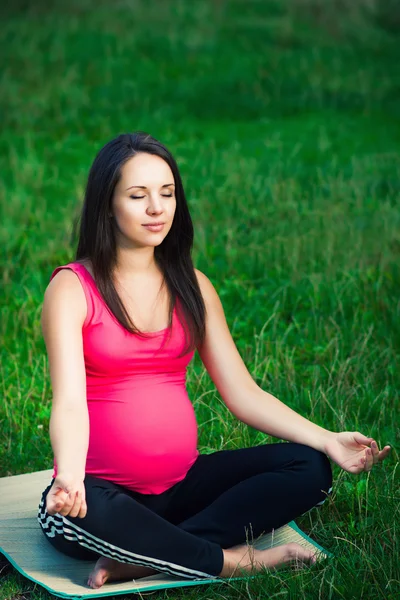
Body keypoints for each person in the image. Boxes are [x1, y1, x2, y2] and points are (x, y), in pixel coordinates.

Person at [37, 132, 391, 590]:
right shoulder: (71, 289)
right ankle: (241, 562)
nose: (157, 209)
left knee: (310, 468)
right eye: (138, 195)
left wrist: (327, 440)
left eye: (167, 194)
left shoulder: (193, 286)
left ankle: (150, 557)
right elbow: (68, 402)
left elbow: (242, 393)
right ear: (107, 205)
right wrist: (68, 476)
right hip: (100, 494)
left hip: (182, 488)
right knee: (86, 515)